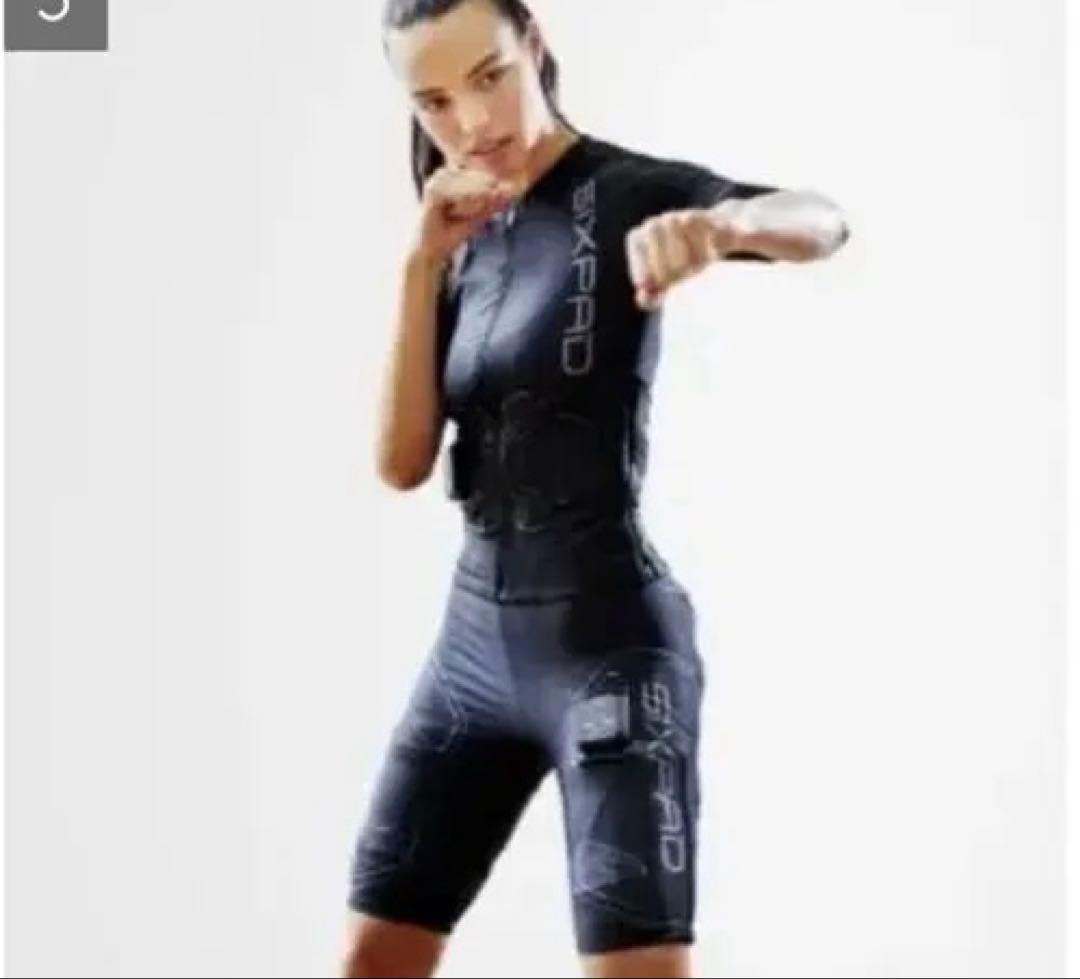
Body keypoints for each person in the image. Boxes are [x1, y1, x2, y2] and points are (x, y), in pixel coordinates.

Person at [341, 1, 850, 976]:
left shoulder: (625, 193)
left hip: (609, 650)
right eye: (435, 101)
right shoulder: (458, 225)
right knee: (373, 959)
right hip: (471, 654)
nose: (472, 122)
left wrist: (728, 225)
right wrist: (421, 261)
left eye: (490, 77)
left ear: (534, 47)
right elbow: (402, 463)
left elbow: (822, 222)